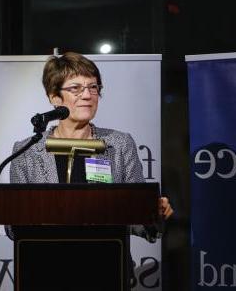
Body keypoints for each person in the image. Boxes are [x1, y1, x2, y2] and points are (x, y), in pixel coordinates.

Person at [9, 52, 173, 287]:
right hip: (45, 270)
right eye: (76, 88)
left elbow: (136, 218)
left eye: (93, 87)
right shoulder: (26, 150)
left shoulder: (119, 143)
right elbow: (15, 227)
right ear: (54, 97)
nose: (87, 95)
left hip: (106, 268)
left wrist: (152, 214)